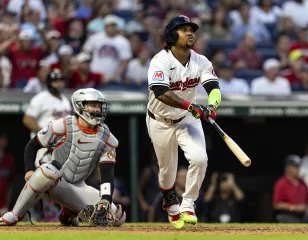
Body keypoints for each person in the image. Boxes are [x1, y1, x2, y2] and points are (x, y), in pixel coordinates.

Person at [0, 88, 126, 227]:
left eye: (99, 106)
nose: (97, 109)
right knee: (48, 170)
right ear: (80, 105)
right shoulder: (64, 124)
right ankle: (15, 214)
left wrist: (106, 200)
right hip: (52, 181)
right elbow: (32, 145)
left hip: (78, 185)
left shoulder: (106, 136)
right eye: (93, 105)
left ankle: (69, 212)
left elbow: (107, 173)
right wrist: (29, 170)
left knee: (117, 216)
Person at [146, 15, 222, 229]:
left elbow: (213, 88)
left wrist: (212, 106)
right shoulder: (160, 60)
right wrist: (191, 105)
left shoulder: (201, 61)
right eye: (183, 29)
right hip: (159, 119)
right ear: (171, 35)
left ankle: (188, 203)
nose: (190, 33)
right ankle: (171, 205)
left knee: (200, 158)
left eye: (191, 29)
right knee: (167, 171)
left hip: (186, 118)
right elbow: (161, 92)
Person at [23, 69, 72, 139]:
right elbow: (27, 119)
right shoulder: (40, 98)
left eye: (61, 81)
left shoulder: (65, 100)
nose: (59, 84)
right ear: (49, 83)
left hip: (59, 143)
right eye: (55, 81)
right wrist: (44, 132)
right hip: (42, 143)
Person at [273, 155, 308, 223]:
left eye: (299, 166)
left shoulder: (302, 182)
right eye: (295, 167)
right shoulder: (281, 183)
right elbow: (276, 204)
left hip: (303, 217)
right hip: (287, 216)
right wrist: (294, 208)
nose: (298, 169)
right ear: (288, 168)